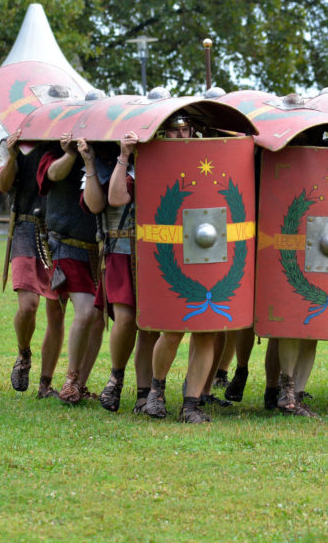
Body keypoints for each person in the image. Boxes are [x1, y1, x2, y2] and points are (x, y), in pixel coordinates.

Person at [142, 112, 221, 423]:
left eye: (185, 129)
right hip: (171, 250)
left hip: (209, 250)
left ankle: (191, 404)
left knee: (206, 331)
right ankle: (156, 391)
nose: (180, 135)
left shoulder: (207, 157)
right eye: (173, 130)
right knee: (172, 330)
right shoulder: (155, 157)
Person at [78, 132, 159, 413]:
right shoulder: (103, 163)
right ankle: (116, 378)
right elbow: (106, 201)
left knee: (150, 326)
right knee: (125, 319)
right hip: (120, 250)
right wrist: (118, 158)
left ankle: (144, 394)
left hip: (155, 251)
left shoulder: (161, 160)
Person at [0, 130, 67, 398]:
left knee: (56, 312)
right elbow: (3, 185)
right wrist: (13, 155)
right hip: (26, 227)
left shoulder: (64, 141)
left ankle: (45, 384)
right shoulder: (11, 142)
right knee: (28, 306)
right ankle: (24, 354)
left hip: (60, 230)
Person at [38, 133, 104, 404]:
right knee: (81, 312)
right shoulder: (53, 151)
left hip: (98, 249)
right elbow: (53, 174)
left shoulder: (104, 152)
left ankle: (79, 384)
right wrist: (71, 153)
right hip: (65, 244)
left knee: (98, 318)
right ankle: (67, 380)